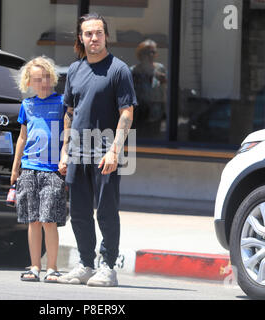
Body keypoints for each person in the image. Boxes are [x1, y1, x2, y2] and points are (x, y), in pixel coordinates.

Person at [57, 13, 137, 287]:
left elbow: (126, 113)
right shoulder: (74, 70)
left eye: (98, 33)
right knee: (78, 212)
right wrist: (65, 150)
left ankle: (109, 267)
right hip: (77, 152)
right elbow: (70, 112)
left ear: (106, 36)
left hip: (105, 152)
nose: (94, 38)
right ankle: (86, 264)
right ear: (81, 37)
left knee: (106, 211)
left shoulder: (119, 70)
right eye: (88, 33)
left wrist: (115, 150)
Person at [11, 56, 67, 283]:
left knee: (49, 220)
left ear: (52, 77)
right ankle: (35, 265)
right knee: (33, 220)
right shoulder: (27, 106)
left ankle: (52, 267)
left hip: (53, 170)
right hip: (29, 168)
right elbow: (22, 138)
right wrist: (15, 169)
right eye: (36, 79)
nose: (42, 82)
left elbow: (68, 135)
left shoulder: (62, 102)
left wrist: (66, 158)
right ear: (29, 82)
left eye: (45, 77)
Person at [130, 39, 167, 138]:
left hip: (156, 111)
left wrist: (163, 80)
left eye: (153, 52)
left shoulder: (160, 68)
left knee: (155, 137)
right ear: (141, 54)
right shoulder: (133, 71)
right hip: (140, 112)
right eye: (148, 52)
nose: (151, 55)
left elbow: (165, 88)